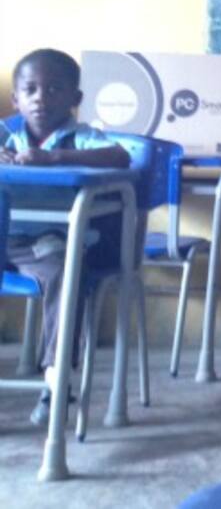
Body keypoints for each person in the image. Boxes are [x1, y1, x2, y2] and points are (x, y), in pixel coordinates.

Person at [2, 48, 131, 424]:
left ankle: (55, 381)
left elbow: (119, 157)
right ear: (16, 99)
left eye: (54, 89)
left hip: (48, 243)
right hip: (6, 235)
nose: (41, 98)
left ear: (75, 98)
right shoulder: (6, 133)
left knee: (65, 273)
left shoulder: (82, 137)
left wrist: (54, 159)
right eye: (30, 90)